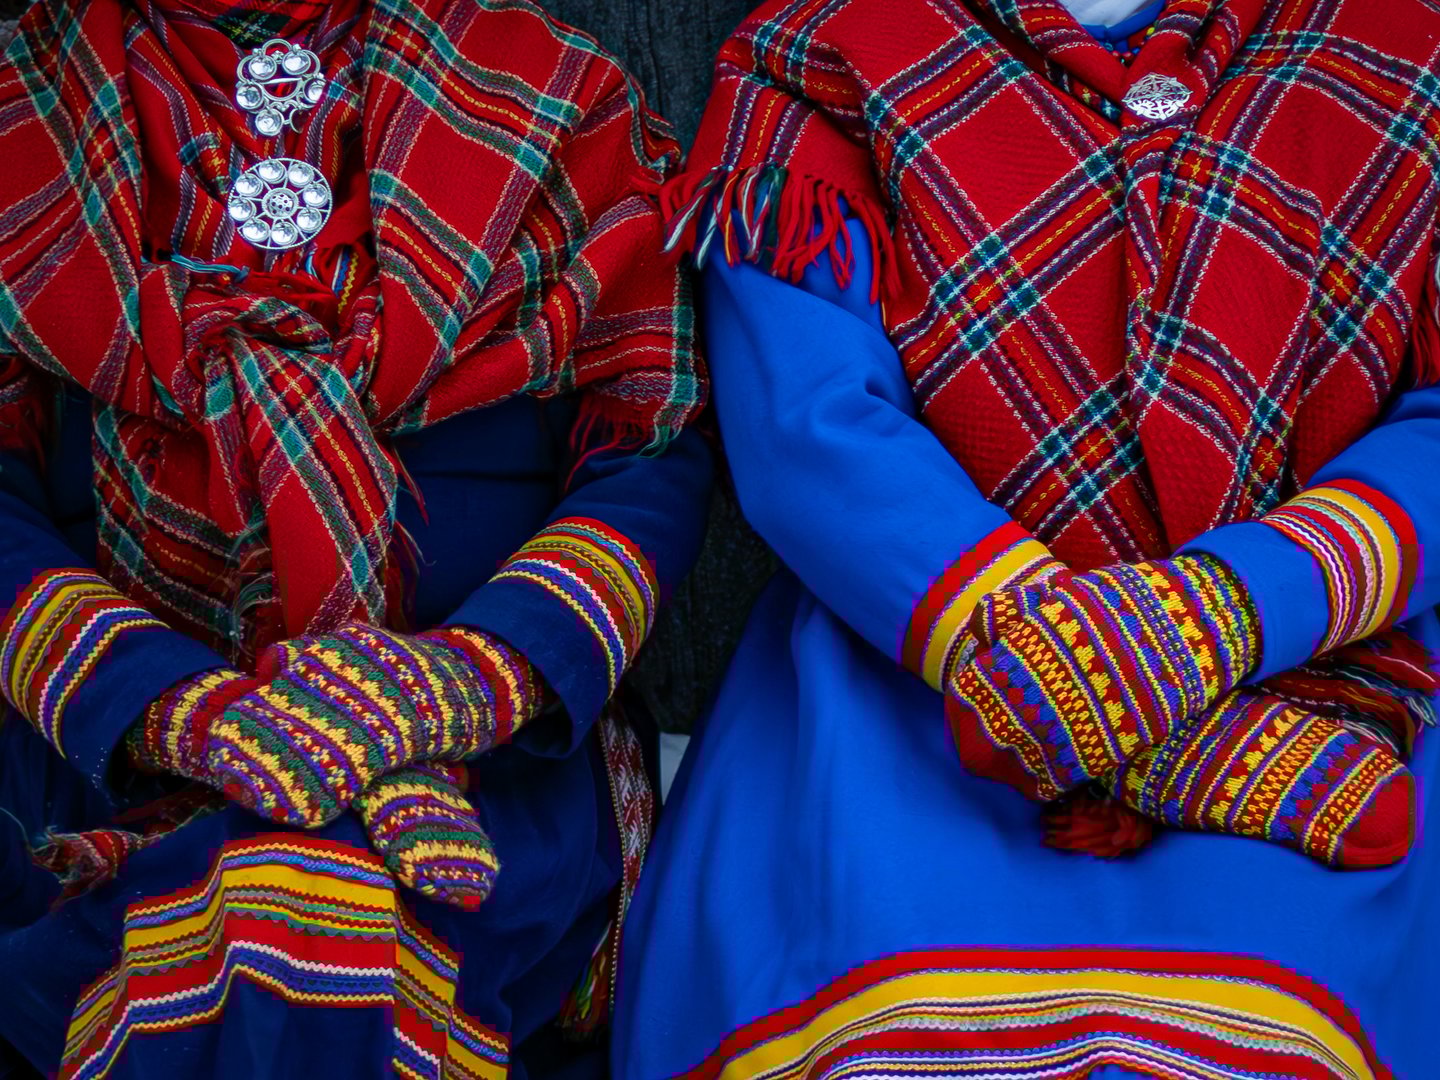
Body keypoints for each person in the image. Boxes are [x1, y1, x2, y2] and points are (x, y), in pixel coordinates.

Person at [615, 0, 1440, 1075]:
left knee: (1280, 1022)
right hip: (913, 662)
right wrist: (1055, 656)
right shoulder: (826, 48)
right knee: (888, 1017)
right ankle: (1169, 751)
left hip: (1318, 666)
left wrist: (1225, 613)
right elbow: (808, 434)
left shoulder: (1400, 44)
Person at [0, 0, 710, 1076]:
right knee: (249, 918)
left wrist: (469, 681)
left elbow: (649, 444)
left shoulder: (556, 92)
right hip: (95, 756)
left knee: (327, 915)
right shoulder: (24, 111)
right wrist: (170, 709)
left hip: (493, 757)